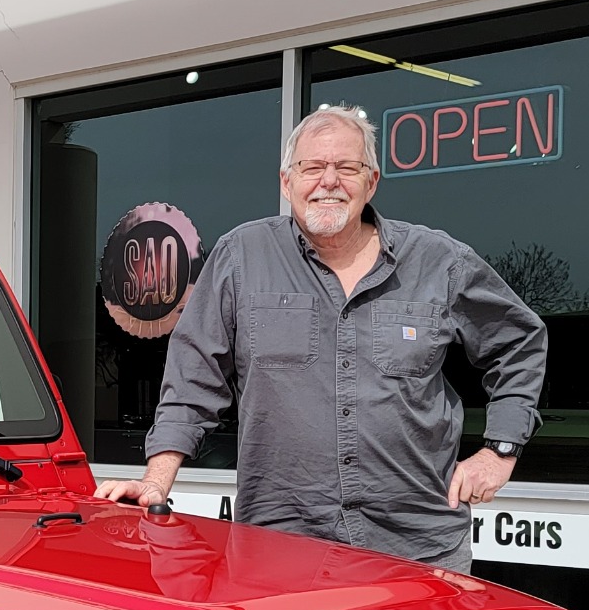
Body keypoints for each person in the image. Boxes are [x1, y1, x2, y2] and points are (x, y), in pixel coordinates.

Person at [95, 103, 548, 572]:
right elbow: (192, 381)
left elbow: (519, 342)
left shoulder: (439, 261)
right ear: (286, 182)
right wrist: (156, 481)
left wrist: (500, 452)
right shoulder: (241, 257)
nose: (328, 181)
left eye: (346, 167)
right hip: (280, 552)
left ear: (371, 182)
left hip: (417, 549)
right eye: (312, 167)